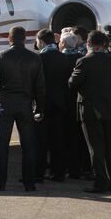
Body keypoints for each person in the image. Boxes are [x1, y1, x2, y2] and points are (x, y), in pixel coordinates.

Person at [0, 26, 45, 192]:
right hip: (25, 104)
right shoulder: (35, 58)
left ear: (9, 39)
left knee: (1, 145)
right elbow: (40, 87)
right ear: (25, 39)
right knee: (28, 145)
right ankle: (29, 183)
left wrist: (0, 90)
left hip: (5, 104)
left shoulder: (0, 56)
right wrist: (39, 107)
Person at [69, 30, 111, 193]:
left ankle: (100, 182)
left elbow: (72, 84)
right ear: (104, 44)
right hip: (110, 109)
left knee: (95, 148)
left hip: (91, 110)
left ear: (88, 44)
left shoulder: (84, 61)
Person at [35, 29, 70, 182]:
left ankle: (39, 173)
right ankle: (59, 173)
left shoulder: (39, 59)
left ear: (41, 42)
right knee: (58, 141)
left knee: (40, 141)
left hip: (42, 104)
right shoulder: (64, 58)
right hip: (60, 104)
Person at [60, 31, 92, 179]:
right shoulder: (81, 59)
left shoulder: (60, 58)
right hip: (78, 103)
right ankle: (85, 167)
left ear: (63, 43)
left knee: (68, 138)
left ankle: (72, 168)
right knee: (82, 138)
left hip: (64, 104)